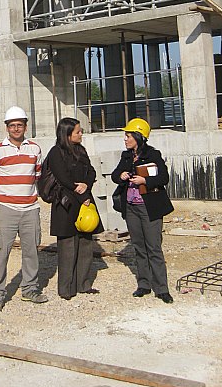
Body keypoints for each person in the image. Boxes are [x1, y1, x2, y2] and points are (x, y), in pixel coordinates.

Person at [0, 106, 48, 313]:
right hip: (6, 210)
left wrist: (27, 195)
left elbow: (37, 175)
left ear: (25, 126)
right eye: (12, 125)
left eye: (19, 125)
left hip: (30, 209)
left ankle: (29, 289)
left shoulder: (35, 149)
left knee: (31, 252)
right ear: (7, 128)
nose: (16, 129)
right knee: (0, 253)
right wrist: (4, 196)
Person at [111, 118, 174, 304]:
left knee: (153, 247)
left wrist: (145, 181)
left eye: (128, 136)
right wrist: (121, 176)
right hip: (131, 208)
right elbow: (115, 176)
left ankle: (162, 288)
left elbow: (164, 177)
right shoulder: (126, 156)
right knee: (139, 247)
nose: (125, 139)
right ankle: (144, 285)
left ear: (138, 136)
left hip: (149, 208)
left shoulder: (153, 155)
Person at [46, 117, 103, 300]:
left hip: (84, 202)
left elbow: (92, 172)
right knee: (68, 247)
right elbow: (64, 178)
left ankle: (84, 284)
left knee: (86, 244)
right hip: (66, 203)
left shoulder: (81, 150)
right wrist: (82, 194)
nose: (81, 134)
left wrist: (86, 185)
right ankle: (66, 289)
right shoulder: (56, 152)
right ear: (67, 134)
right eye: (77, 131)